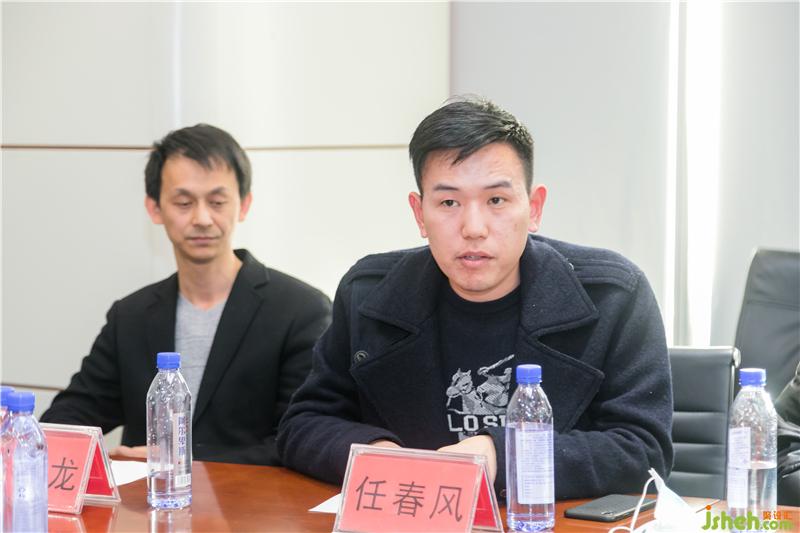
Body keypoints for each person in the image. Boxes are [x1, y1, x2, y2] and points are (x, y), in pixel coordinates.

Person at [277, 97, 673, 497]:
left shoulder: (613, 295)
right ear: (419, 213)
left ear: (534, 208)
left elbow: (643, 449)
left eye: (496, 200)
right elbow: (304, 423)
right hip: (415, 512)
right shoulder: (369, 294)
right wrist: (377, 455)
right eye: (448, 202)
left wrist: (502, 455)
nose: (473, 227)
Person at [42, 124, 332, 466]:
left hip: (249, 500)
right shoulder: (131, 315)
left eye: (217, 201)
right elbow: (70, 417)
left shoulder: (301, 311)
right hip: (147, 500)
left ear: (244, 205)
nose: (202, 218)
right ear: (155, 208)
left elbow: (300, 439)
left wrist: (182, 462)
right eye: (183, 202)